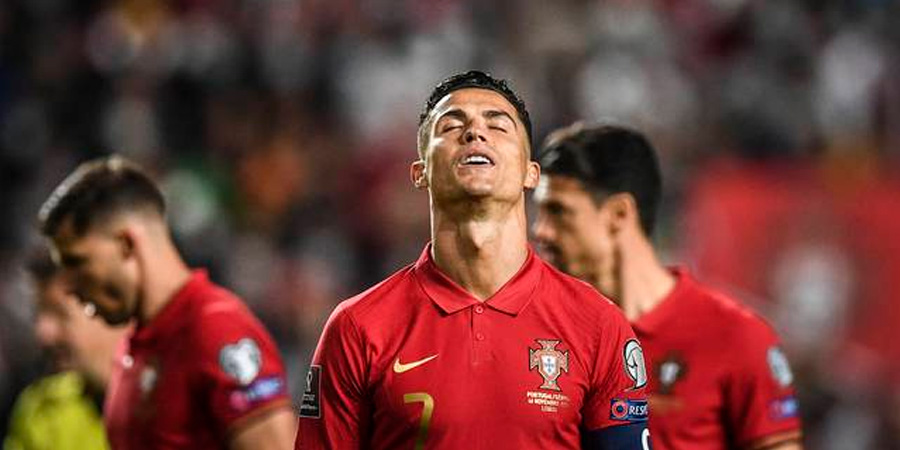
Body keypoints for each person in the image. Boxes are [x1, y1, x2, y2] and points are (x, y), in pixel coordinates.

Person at [295, 71, 652, 449]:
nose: (475, 133)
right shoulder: (358, 327)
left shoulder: (598, 325)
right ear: (420, 173)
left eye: (497, 126)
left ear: (531, 173)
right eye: (451, 126)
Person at [532, 122, 803, 450]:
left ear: (618, 214)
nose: (540, 231)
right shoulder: (543, 335)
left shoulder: (735, 337)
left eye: (558, 211)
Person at [37, 157, 296, 450]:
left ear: (126, 244)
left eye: (76, 262)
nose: (69, 286)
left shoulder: (217, 331)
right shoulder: (133, 351)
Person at [4, 249, 128, 450]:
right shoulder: (42, 409)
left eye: (59, 314)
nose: (43, 334)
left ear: (108, 310)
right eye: (39, 314)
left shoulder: (170, 399)